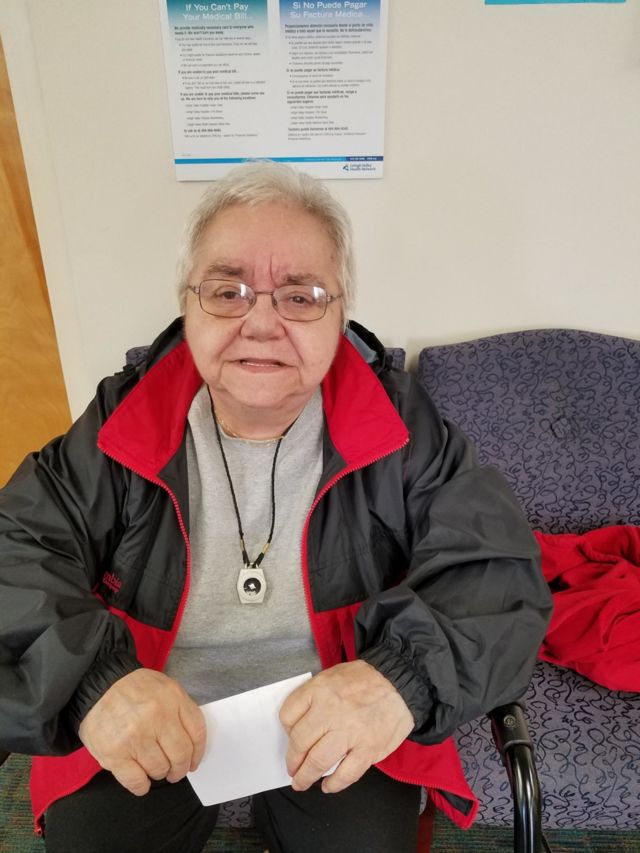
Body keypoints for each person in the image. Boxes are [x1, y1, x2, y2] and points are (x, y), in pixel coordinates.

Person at [0, 162, 552, 853]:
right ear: (187, 305)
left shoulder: (400, 423)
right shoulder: (124, 413)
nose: (261, 322)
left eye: (300, 295)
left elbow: (497, 570)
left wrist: (398, 680)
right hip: (149, 701)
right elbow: (15, 551)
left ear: (340, 311)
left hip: (336, 703)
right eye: (227, 291)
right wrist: (95, 684)